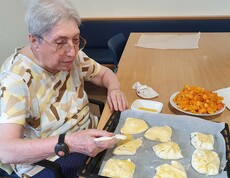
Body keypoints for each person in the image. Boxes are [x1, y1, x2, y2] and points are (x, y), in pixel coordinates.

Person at [0, 0, 128, 177]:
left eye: (76, 40)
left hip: (86, 136)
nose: (72, 52)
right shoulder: (15, 79)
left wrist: (114, 88)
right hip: (49, 160)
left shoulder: (72, 55)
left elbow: (104, 74)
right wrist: (70, 143)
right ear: (34, 41)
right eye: (60, 42)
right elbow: (6, 151)